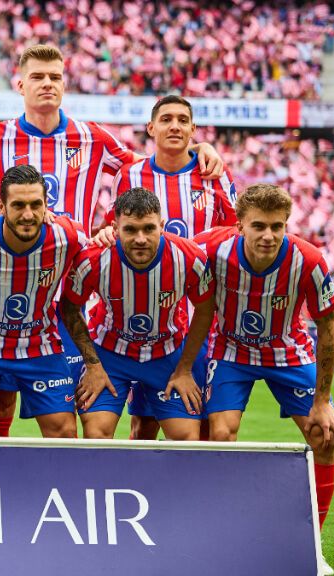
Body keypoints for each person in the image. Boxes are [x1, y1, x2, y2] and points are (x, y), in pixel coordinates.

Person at [0, 44, 225, 436]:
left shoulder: (93, 138)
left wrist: (197, 148)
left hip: (68, 297)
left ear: (64, 84)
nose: (47, 84)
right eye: (38, 77)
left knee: (75, 421)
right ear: (20, 84)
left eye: (55, 77)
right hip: (8, 282)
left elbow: (152, 163)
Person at [193, 184, 334, 574]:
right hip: (229, 352)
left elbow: (328, 327)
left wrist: (322, 401)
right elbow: (167, 253)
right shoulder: (211, 248)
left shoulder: (308, 260)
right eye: (258, 226)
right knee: (220, 436)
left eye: (277, 226)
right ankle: (217, 533)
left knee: (324, 436)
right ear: (239, 224)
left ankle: (312, 547)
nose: (268, 235)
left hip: (287, 352)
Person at [96, 95, 237, 441]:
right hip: (144, 315)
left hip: (197, 317)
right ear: (151, 127)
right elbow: (116, 226)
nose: (174, 126)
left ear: (192, 129)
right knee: (143, 425)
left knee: (198, 421)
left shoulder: (213, 174)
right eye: (166, 119)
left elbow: (236, 233)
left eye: (183, 120)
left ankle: (194, 494)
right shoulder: (130, 174)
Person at [0, 165, 105, 438]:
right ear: (1, 205)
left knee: (64, 432)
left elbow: (101, 261)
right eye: (19, 205)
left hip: (39, 345)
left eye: (36, 204)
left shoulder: (69, 236)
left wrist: (106, 236)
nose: (28, 214)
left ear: (47, 204)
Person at [64, 188, 212, 440]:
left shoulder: (190, 258)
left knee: (186, 438)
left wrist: (185, 369)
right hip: (110, 355)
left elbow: (206, 308)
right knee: (96, 434)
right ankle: (103, 481)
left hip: (167, 353)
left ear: (162, 226)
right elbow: (68, 307)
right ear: (115, 227)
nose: (140, 238)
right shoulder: (93, 259)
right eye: (130, 230)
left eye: (149, 229)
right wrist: (93, 365)